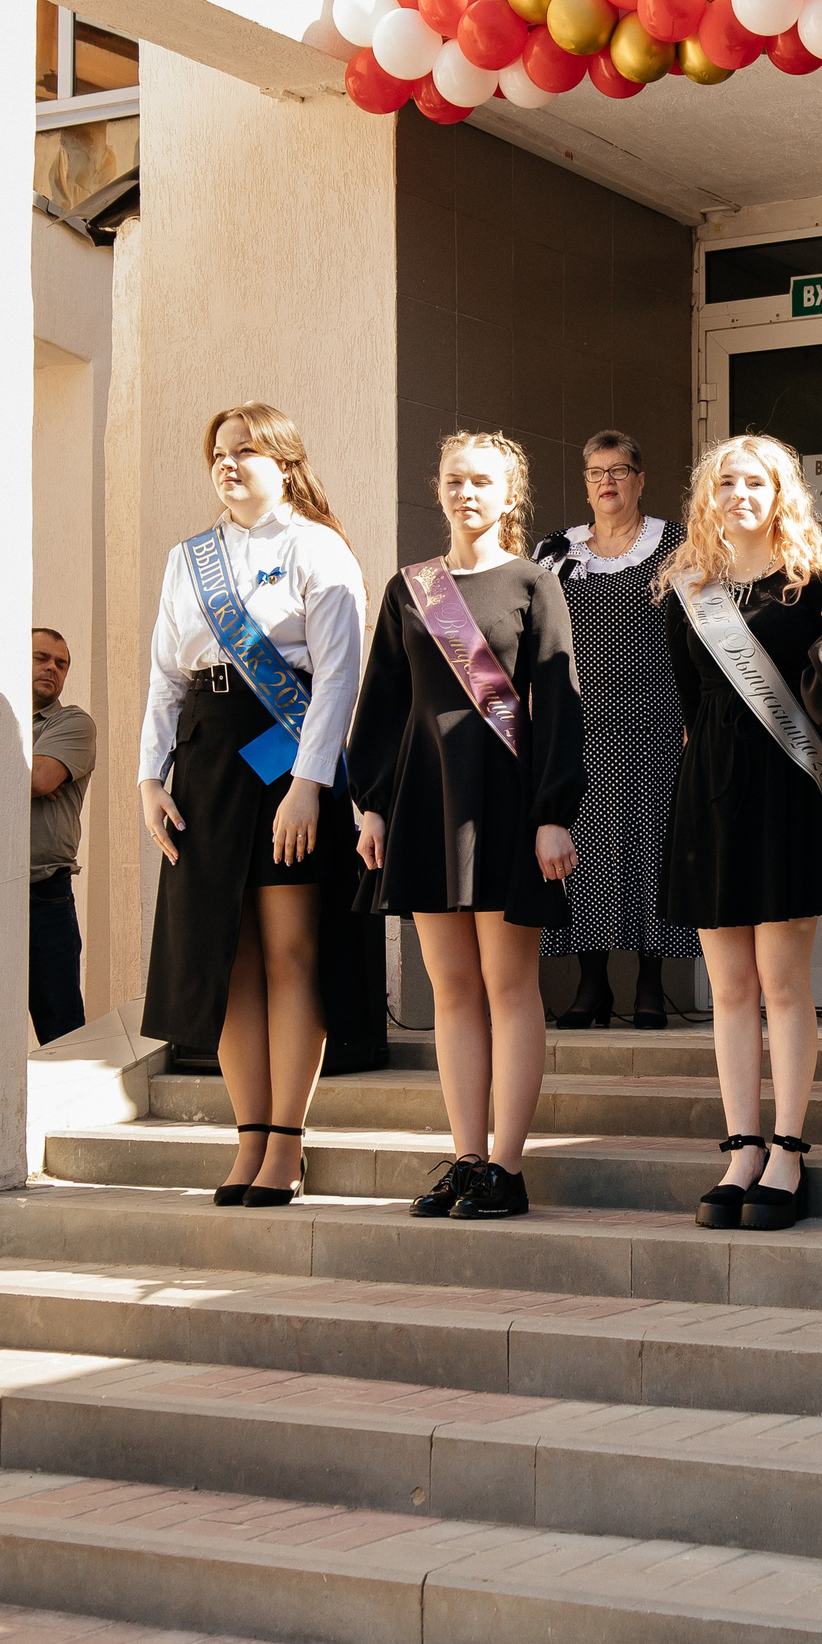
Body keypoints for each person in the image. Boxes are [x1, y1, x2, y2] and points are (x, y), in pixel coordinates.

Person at [139, 402, 366, 1209]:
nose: (228, 464)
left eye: (245, 451)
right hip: (205, 763)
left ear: (285, 462)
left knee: (286, 951)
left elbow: (338, 677)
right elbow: (167, 676)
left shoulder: (317, 547)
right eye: (218, 453)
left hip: (283, 757)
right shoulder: (187, 559)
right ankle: (247, 1135)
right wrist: (148, 777)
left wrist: (309, 785)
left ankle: (288, 1145)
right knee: (223, 952)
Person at [358, 432, 584, 1222]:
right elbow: (383, 702)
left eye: (483, 481)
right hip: (428, 802)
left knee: (508, 985)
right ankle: (466, 1158)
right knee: (450, 989)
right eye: (455, 479)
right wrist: (373, 802)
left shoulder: (532, 582)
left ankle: (509, 1168)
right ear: (439, 487)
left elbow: (558, 703)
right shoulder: (410, 587)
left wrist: (554, 812)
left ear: (509, 494)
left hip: (507, 805)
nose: (466, 493)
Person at [660, 434, 822, 1231]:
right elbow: (689, 706)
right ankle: (741, 1145)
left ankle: (788, 1148)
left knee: (783, 986)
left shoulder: (818, 586)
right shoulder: (685, 587)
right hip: (710, 793)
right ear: (707, 496)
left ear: (782, 492)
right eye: (725, 481)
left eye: (755, 481)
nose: (738, 493)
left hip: (786, 792)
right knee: (730, 989)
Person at [533, 430, 696, 1032]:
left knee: (653, 844)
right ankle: (592, 986)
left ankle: (651, 986)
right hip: (579, 720)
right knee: (588, 847)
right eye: (596, 472)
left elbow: (698, 636)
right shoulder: (555, 550)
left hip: (657, 717)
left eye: (620, 470)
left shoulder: (676, 546)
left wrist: (691, 714)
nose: (608, 481)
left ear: (641, 479)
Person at [29, 627, 97, 1045]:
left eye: (61, 663)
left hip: (44, 897)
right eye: (41, 658)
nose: (52, 667)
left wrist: (29, 772)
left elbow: (41, 778)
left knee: (63, 1036)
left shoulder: (73, 723)